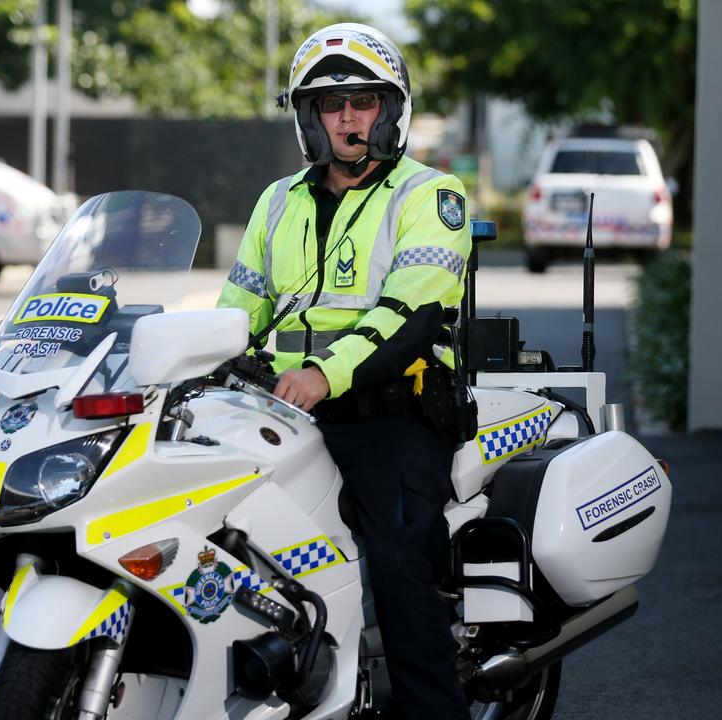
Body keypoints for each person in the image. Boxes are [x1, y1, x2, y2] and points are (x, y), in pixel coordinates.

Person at [216, 23, 473, 719]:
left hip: (390, 412)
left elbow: (413, 316)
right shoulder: (279, 201)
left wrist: (326, 374)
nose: (350, 117)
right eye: (334, 105)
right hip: (279, 409)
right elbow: (235, 309)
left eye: (364, 101)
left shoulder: (429, 194)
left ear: (390, 112)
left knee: (396, 567)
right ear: (310, 119)